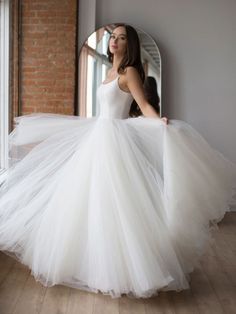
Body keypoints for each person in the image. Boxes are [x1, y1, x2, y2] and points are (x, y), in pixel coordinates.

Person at [0, 23, 236, 299]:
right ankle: (93, 266)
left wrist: (158, 121)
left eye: (121, 38)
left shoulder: (130, 72)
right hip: (98, 137)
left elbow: (144, 104)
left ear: (129, 45)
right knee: (91, 203)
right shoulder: (109, 72)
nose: (114, 41)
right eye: (113, 36)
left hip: (115, 140)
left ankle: (122, 271)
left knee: (116, 205)